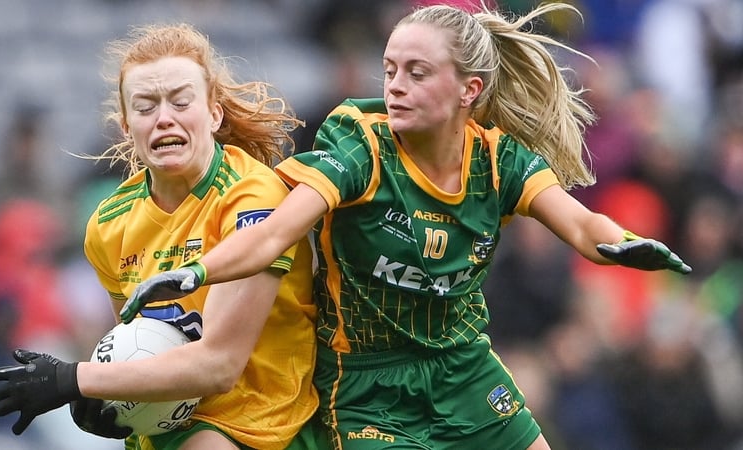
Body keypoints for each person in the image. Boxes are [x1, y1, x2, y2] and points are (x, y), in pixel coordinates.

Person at [113, 3, 691, 450]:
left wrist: (624, 245)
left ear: (470, 90)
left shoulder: (499, 160)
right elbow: (271, 236)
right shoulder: (360, 143)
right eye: (390, 69)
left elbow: (583, 225)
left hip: (464, 367)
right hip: (366, 388)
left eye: (417, 73)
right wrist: (196, 272)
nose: (395, 85)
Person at [0, 23, 324, 450]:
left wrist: (75, 379)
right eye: (145, 107)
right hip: (164, 430)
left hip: (260, 430)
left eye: (181, 101)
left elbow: (220, 365)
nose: (164, 118)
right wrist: (107, 399)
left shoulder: (253, 195)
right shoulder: (108, 224)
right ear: (127, 126)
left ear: (213, 113)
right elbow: (131, 340)